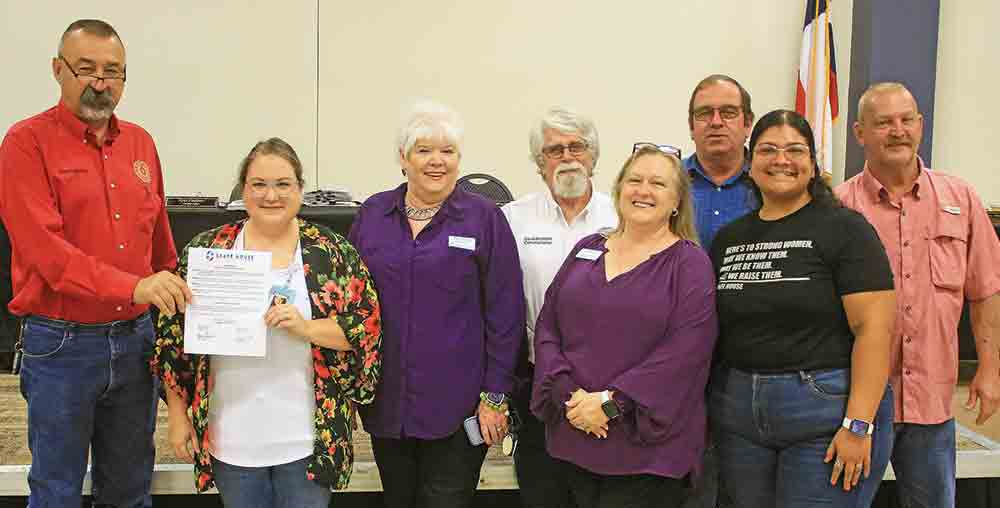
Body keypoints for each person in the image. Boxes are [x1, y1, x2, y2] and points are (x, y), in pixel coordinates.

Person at [0, 19, 191, 508]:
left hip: (134, 343)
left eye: (113, 71)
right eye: (86, 69)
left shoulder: (141, 144)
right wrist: (136, 288)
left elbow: (160, 246)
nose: (100, 82)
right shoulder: (25, 144)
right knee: (57, 491)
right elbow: (48, 256)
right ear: (58, 70)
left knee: (129, 491)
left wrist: (188, 288)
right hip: (60, 346)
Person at [151, 138, 382, 507]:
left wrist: (306, 328)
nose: (270, 195)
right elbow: (172, 342)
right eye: (259, 184)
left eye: (283, 184)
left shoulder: (332, 252)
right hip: (232, 438)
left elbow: (365, 331)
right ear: (243, 189)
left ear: (300, 189)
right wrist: (178, 418)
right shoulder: (209, 251)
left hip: (306, 439)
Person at [709, 110, 895, 507]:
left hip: (823, 413)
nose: (781, 160)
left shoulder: (846, 229)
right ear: (750, 161)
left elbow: (875, 330)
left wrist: (858, 425)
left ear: (812, 164)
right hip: (739, 414)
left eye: (795, 150)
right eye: (768, 150)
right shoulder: (729, 239)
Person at [348, 100, 525, 508]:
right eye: (424, 150)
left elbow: (506, 313)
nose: (437, 161)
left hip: (458, 407)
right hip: (388, 405)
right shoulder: (373, 214)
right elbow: (353, 304)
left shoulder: (483, 218)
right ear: (402, 158)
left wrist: (495, 397)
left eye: (448, 151)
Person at [836, 82, 1000, 508]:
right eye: (883, 122)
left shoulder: (961, 199)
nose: (897, 131)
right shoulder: (839, 209)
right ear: (859, 132)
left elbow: (987, 290)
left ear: (920, 125)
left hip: (932, 403)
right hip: (860, 407)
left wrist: (990, 369)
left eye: (906, 120)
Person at [531, 144, 717, 508]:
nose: (643, 190)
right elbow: (548, 327)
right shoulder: (588, 248)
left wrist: (611, 403)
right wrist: (569, 395)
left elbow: (684, 354)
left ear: (677, 200)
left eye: (658, 184)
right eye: (634, 180)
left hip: (645, 451)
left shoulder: (689, 265)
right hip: (574, 434)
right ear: (619, 190)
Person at [501, 106, 617, 508]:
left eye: (576, 147)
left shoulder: (621, 215)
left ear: (593, 156)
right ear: (539, 163)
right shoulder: (511, 220)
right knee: (542, 491)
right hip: (539, 386)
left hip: (608, 389)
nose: (567, 157)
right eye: (554, 150)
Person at [685, 74, 755, 249]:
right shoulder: (669, 180)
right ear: (691, 127)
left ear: (747, 124)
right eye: (704, 113)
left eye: (728, 113)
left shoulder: (768, 181)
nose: (716, 122)